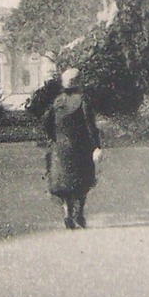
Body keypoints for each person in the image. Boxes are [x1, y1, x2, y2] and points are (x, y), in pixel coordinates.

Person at [42, 67, 102, 229]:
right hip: (80, 146)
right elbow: (91, 126)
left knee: (64, 181)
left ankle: (67, 212)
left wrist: (52, 138)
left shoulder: (57, 101)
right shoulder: (83, 101)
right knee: (82, 180)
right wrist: (97, 145)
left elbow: (46, 122)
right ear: (79, 82)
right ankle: (79, 214)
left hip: (60, 148)